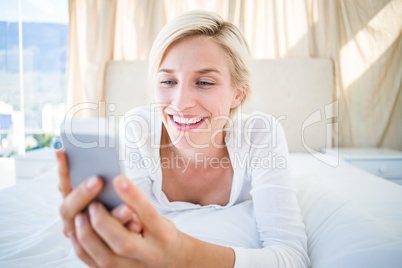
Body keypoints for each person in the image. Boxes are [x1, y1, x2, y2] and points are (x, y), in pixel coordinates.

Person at [57, 10, 311, 267]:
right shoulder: (138, 130)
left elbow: (291, 257)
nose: (180, 104)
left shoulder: (260, 135)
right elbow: (129, 239)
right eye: (168, 81)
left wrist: (188, 255)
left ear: (238, 94)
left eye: (203, 82)